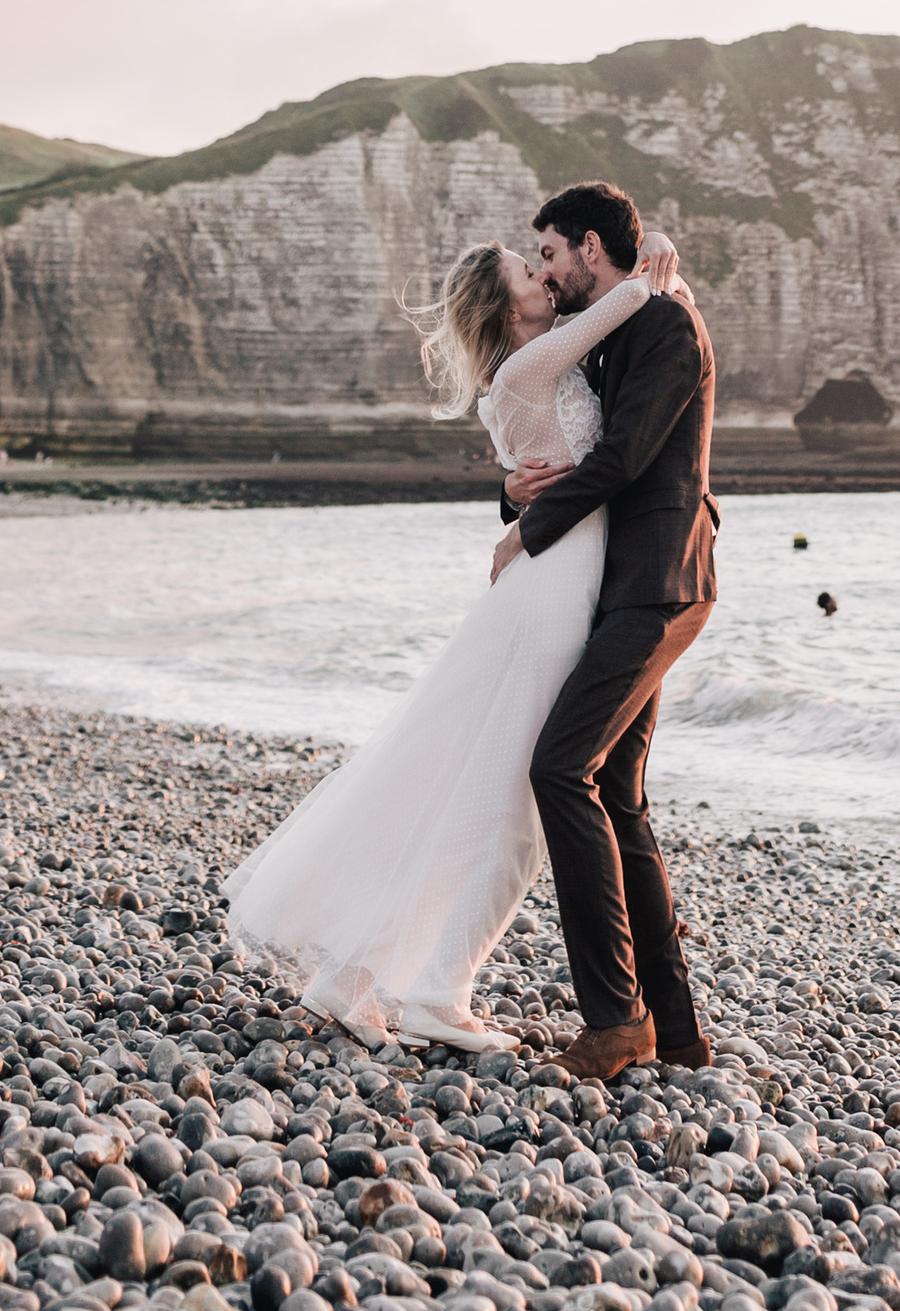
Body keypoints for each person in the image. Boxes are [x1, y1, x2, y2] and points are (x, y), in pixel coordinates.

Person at [221, 220, 682, 1053]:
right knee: (522, 810)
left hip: (552, 585)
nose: (544, 277)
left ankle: (351, 976)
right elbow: (620, 305)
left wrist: (515, 501)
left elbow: (580, 436)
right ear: (503, 307)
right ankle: (439, 989)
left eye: (542, 261)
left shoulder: (541, 368)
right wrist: (656, 275)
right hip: (550, 596)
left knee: (481, 791)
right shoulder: (530, 362)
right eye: (525, 271)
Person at [496, 180, 719, 1081]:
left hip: (662, 581)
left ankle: (615, 1018)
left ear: (593, 246)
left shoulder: (667, 327)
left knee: (561, 765)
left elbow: (623, 459)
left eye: (550, 253)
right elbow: (553, 445)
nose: (545, 272)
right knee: (617, 793)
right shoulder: (604, 337)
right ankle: (674, 1029)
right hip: (621, 586)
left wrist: (527, 531)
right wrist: (514, 495)